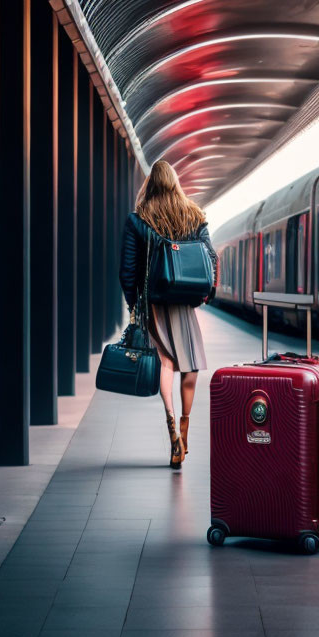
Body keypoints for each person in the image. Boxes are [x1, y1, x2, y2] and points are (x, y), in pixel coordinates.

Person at [119, 160, 218, 469]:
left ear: (150, 185)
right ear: (176, 183)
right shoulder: (194, 215)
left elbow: (128, 269)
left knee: (165, 362)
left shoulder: (139, 220)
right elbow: (210, 258)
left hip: (155, 301)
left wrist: (133, 302)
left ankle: (172, 427)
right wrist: (206, 292)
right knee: (190, 366)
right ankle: (186, 433)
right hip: (185, 300)